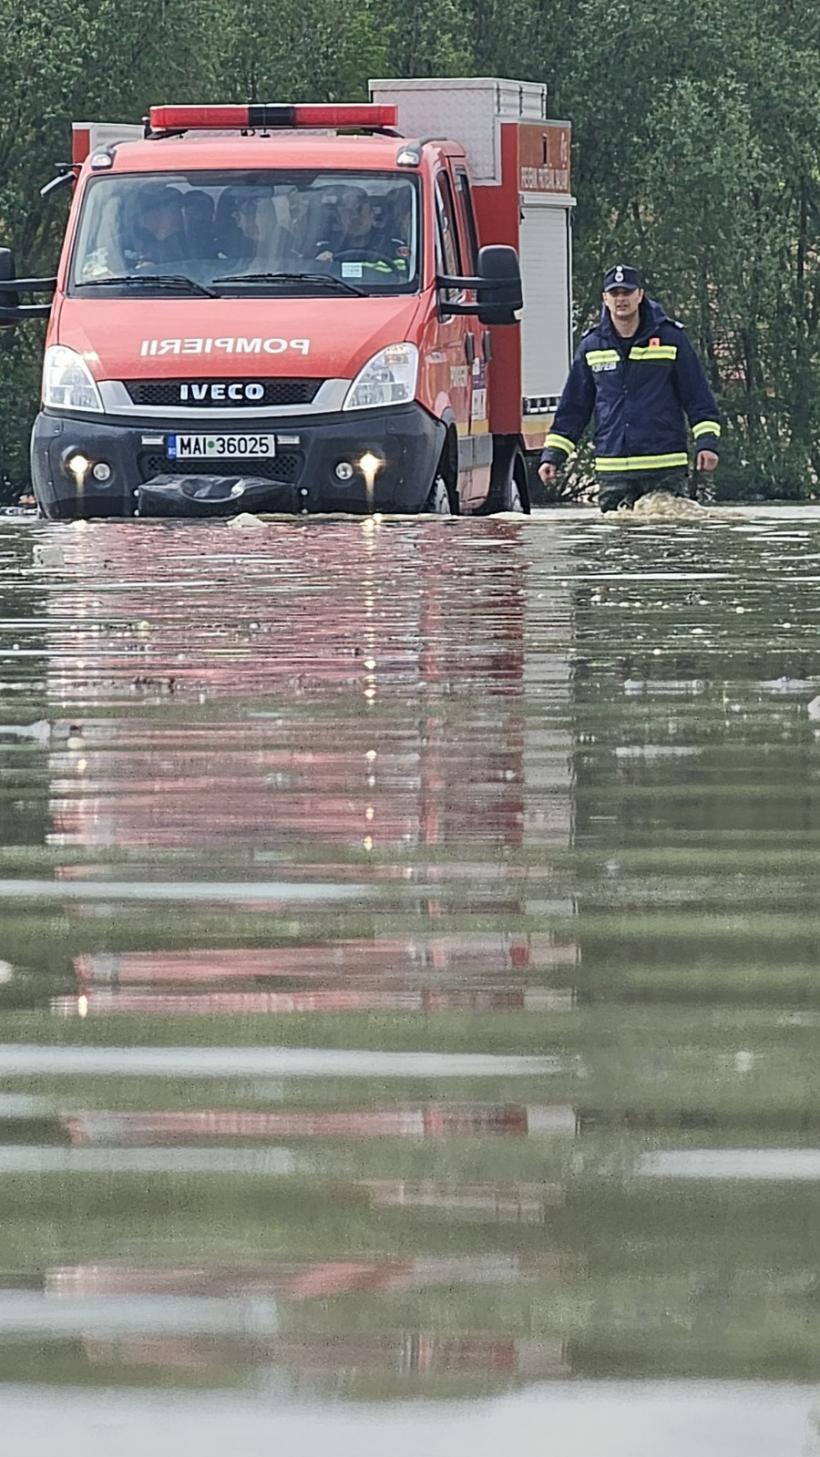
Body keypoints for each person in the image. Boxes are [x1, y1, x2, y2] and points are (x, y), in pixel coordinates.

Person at [538, 264, 720, 511]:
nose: (620, 299)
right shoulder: (592, 346)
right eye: (614, 294)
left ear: (640, 295)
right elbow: (574, 409)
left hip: (664, 468)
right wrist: (553, 456)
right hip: (613, 471)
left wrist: (707, 443)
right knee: (616, 546)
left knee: (666, 542)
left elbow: (698, 397)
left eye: (626, 292)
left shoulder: (671, 339)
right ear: (605, 299)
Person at [128, 184, 187, 271]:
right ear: (157, 213)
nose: (180, 215)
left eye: (180, 210)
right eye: (174, 210)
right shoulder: (127, 241)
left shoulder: (187, 241)